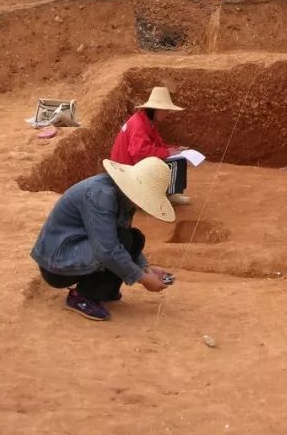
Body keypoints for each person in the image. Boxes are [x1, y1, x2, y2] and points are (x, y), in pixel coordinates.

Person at [30, 156, 175, 321]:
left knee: (133, 238)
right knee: (119, 243)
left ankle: (103, 291)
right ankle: (81, 296)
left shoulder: (123, 196)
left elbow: (123, 235)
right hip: (57, 263)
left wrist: (145, 268)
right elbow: (108, 250)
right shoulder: (101, 195)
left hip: (79, 249)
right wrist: (142, 278)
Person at [110, 86, 190, 205]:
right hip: (126, 173)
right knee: (172, 162)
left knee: (178, 158)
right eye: (165, 110)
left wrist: (175, 149)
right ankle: (151, 197)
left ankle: (170, 194)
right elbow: (138, 151)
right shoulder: (138, 124)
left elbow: (159, 145)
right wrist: (168, 152)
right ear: (156, 110)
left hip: (130, 167)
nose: (167, 114)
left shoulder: (147, 122)